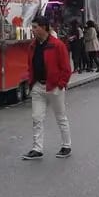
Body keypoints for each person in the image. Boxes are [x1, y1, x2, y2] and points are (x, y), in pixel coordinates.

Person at [22, 18, 73, 160]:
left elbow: (66, 68)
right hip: (38, 85)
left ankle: (66, 145)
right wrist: (32, 82)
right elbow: (30, 64)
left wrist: (61, 84)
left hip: (54, 86)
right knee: (37, 118)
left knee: (60, 117)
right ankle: (37, 148)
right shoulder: (32, 46)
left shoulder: (57, 45)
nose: (32, 30)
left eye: (35, 27)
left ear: (44, 28)